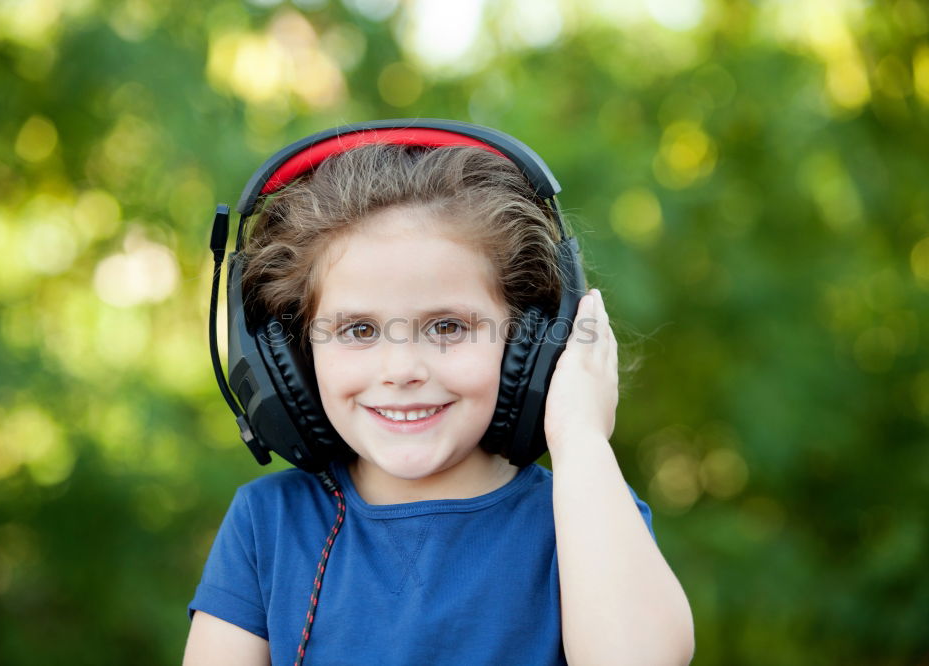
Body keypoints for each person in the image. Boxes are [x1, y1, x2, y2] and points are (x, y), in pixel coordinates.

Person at [183, 129, 695, 665]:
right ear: (288, 355)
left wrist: (581, 439)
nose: (403, 369)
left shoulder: (584, 509)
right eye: (359, 331)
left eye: (448, 327)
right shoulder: (269, 525)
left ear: (532, 340)